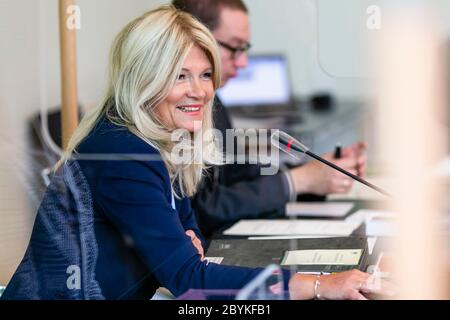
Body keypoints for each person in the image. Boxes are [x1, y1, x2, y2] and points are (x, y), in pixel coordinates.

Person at [2, 6, 385, 300]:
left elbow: (192, 237)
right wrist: (320, 285)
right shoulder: (121, 152)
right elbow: (188, 279)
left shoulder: (167, 139)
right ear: (143, 79)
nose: (199, 92)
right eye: (180, 75)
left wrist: (184, 247)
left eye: (205, 75)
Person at [173, 0, 368, 238]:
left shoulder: (214, 102)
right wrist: (299, 181)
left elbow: (239, 172)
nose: (243, 62)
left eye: (245, 48)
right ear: (194, 38)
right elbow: (200, 208)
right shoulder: (179, 109)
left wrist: (317, 173)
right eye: (234, 47)